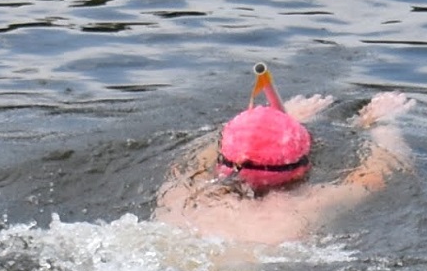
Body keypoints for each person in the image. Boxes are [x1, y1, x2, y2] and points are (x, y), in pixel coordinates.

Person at [151, 68, 412, 257]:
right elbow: (379, 174)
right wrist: (382, 122)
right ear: (300, 167)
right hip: (259, 266)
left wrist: (277, 121)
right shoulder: (304, 204)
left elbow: (208, 153)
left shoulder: (182, 192)